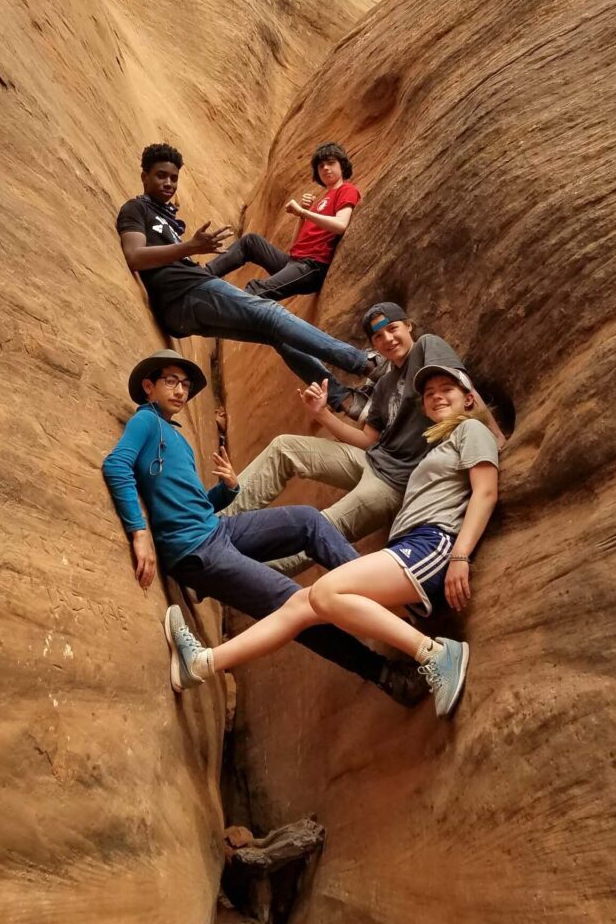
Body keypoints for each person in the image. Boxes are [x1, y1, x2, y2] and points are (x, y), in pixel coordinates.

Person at [165, 364, 500, 718]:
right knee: (299, 605)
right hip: (405, 556)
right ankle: (200, 664)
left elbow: (486, 492)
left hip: (429, 547)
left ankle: (436, 655)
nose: (435, 396)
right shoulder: (438, 444)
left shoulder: (471, 430)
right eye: (429, 393)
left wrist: (460, 556)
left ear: (469, 399)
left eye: (446, 389)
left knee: (324, 592)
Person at [101, 349, 426, 706]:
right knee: (297, 604)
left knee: (308, 521)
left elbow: (191, 505)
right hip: (195, 549)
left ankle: (384, 595)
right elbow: (117, 466)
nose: (180, 390)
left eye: (185, 384)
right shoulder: (146, 422)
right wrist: (139, 533)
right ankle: (384, 674)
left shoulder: (175, 435)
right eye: (171, 382)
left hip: (216, 530)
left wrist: (227, 490)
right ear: (149, 386)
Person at [115, 143, 381, 413]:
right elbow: (134, 256)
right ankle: (365, 363)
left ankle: (346, 400)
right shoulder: (136, 209)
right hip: (188, 292)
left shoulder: (165, 217)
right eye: (161, 176)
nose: (169, 183)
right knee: (271, 314)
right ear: (144, 176)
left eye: (174, 178)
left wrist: (190, 251)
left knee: (275, 335)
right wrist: (190, 247)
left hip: (183, 310)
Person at [222, 302, 491, 550]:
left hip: (395, 483)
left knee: (320, 528)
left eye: (393, 328)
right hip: (372, 459)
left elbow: (462, 389)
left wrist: (493, 439)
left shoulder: (427, 348)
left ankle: (230, 566)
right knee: (285, 447)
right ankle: (218, 519)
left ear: (409, 326)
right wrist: (322, 414)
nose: (388, 339)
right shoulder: (384, 384)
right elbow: (368, 440)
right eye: (378, 336)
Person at [206, 143, 361, 301]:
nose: (325, 168)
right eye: (321, 166)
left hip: (312, 266)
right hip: (293, 262)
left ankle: (217, 307)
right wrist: (302, 214)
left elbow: (341, 225)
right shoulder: (321, 201)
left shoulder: (347, 189)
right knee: (250, 242)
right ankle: (203, 275)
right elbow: (295, 245)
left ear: (342, 165)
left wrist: (303, 212)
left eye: (331, 163)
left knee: (256, 290)